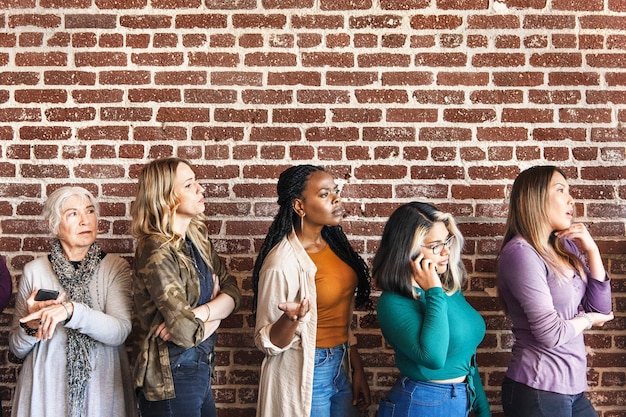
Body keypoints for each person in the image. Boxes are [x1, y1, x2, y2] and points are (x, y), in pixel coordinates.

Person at [252, 164, 372, 417]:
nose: (336, 198)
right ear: (299, 207)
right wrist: (290, 319)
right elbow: (267, 343)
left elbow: (339, 316)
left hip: (341, 364)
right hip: (307, 367)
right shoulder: (280, 264)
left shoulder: (336, 246)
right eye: (324, 194)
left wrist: (356, 367)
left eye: (336, 191)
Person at [9, 186, 136, 417]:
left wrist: (71, 312)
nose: (85, 220)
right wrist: (33, 324)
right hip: (45, 390)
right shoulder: (34, 271)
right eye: (73, 214)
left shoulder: (115, 268)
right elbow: (17, 348)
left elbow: (120, 331)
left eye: (89, 211)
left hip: (102, 390)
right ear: (53, 225)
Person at [497, 165, 613, 417]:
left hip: (572, 387)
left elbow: (602, 309)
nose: (571, 199)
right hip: (538, 386)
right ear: (534, 198)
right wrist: (589, 319)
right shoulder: (521, 254)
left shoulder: (564, 246)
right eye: (561, 190)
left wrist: (591, 250)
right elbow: (550, 334)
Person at [130, 157, 241, 417]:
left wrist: (202, 313)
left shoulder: (197, 239)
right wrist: (217, 311)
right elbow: (182, 333)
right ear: (166, 197)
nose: (201, 189)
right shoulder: (156, 249)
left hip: (199, 369)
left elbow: (233, 292)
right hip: (169, 379)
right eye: (190, 185)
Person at [374, 202, 491, 417]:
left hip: (459, 398)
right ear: (408, 250)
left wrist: (483, 409)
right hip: (422, 403)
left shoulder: (449, 290)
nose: (446, 251)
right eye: (436, 245)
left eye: (447, 240)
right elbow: (433, 358)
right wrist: (433, 291)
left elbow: (467, 357)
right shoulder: (393, 302)